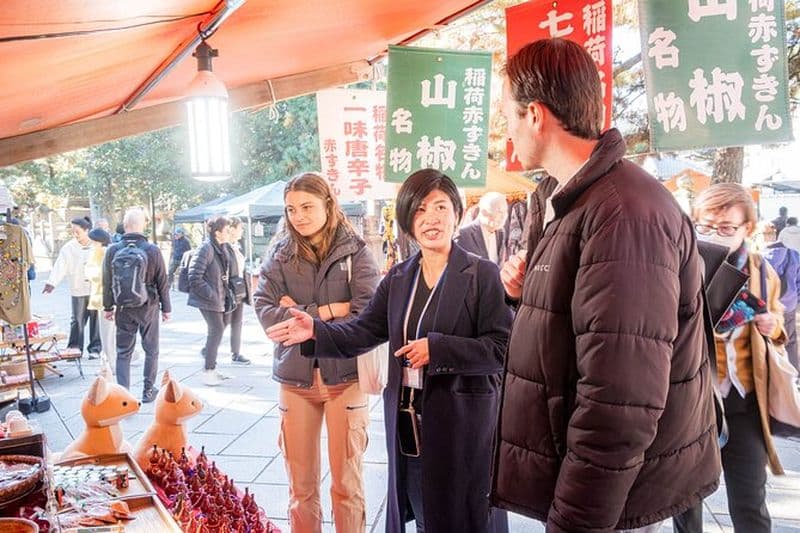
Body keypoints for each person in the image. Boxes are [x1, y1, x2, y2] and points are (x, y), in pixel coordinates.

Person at [492, 38, 721, 532]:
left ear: (535, 114)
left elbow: (620, 403)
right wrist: (522, 293)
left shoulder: (622, 215)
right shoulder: (571, 199)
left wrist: (574, 522)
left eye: (507, 114)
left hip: (615, 503)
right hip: (596, 490)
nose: (504, 129)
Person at [266, 170, 512, 533]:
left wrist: (439, 349)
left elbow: (500, 350)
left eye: (441, 207)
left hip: (461, 424)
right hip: (409, 424)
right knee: (422, 508)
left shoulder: (482, 274)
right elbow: (363, 331)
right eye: (420, 210)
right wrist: (315, 331)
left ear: (457, 214)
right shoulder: (400, 278)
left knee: (464, 517)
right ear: (408, 222)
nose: (431, 218)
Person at [254, 173, 380, 533]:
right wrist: (329, 310)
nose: (299, 216)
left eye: (307, 207)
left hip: (346, 378)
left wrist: (303, 313)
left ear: (328, 204)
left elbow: (367, 315)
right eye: (291, 209)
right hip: (295, 379)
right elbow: (265, 310)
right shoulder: (280, 253)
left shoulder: (356, 252)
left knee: (347, 484)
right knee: (300, 487)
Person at [684, 184, 787, 532]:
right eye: (706, 226)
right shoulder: (682, 265)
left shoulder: (761, 271)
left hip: (744, 402)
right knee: (685, 501)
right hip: (692, 400)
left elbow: (778, 322)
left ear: (748, 229)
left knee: (749, 502)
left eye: (727, 228)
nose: (715, 234)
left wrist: (772, 326)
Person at [102, 208, 171, 403]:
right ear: (144, 226)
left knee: (123, 352)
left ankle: (123, 397)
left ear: (125, 226)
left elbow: (106, 281)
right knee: (151, 349)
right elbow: (162, 282)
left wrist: (108, 307)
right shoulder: (152, 250)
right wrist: (166, 308)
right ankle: (148, 390)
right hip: (148, 305)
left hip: (123, 307)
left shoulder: (113, 250)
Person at [188, 216, 239, 386]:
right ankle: (208, 370)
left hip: (219, 296)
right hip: (208, 298)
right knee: (216, 329)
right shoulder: (206, 248)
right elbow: (194, 277)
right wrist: (211, 294)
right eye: (226, 230)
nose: (229, 232)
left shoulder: (221, 247)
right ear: (217, 232)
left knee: (220, 327)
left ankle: (210, 361)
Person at [44, 216, 102, 359]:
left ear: (86, 230)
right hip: (78, 288)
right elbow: (60, 266)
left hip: (95, 288)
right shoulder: (68, 248)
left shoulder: (97, 246)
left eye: (78, 232)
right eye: (73, 232)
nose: (75, 235)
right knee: (77, 320)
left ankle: (95, 349)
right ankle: (74, 348)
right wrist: (52, 282)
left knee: (96, 320)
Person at [763, 222, 800, 372]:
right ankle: (794, 374)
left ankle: (777, 374)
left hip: (771, 307)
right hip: (789, 305)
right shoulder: (795, 255)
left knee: (772, 341)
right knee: (790, 341)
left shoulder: (761, 258)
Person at [84, 228, 115, 372]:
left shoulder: (100, 253)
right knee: (109, 333)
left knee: (107, 334)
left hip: (103, 298)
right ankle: (108, 362)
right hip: (106, 297)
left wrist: (88, 272)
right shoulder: (108, 251)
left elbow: (97, 275)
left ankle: (109, 364)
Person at [455, 191, 508, 266]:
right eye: (499, 211)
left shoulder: (501, 233)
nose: (504, 216)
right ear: (484, 212)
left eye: (505, 211)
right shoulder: (462, 235)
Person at [226, 217, 251, 364]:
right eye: (240, 228)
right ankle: (209, 348)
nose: (242, 231)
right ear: (232, 229)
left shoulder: (237, 246)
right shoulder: (224, 247)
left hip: (238, 290)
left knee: (237, 322)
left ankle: (236, 352)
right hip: (229, 290)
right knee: (222, 323)